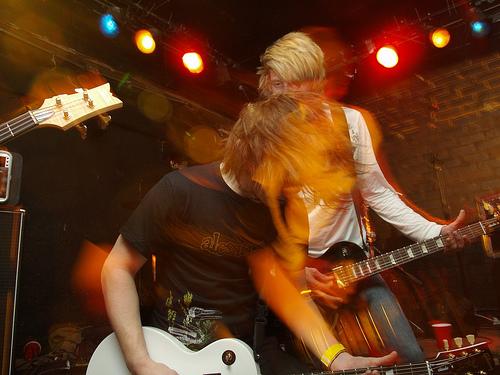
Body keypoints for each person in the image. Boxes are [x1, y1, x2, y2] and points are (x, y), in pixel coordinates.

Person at [101, 93, 398, 375]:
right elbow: (117, 268)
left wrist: (337, 357)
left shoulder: (282, 208)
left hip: (243, 352)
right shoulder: (179, 190)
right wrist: (139, 361)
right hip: (173, 352)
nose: (288, 189)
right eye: (282, 175)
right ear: (252, 155)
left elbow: (290, 291)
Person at [257, 31, 467, 363]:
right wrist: (297, 273)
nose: (288, 93)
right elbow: (257, 221)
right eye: (279, 84)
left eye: (297, 82)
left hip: (355, 263)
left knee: (410, 356)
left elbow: (378, 193)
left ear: (315, 82)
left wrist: (435, 231)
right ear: (267, 85)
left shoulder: (350, 123)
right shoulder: (264, 136)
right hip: (300, 276)